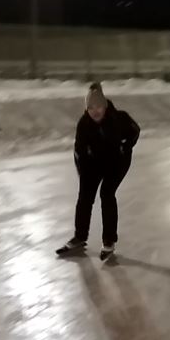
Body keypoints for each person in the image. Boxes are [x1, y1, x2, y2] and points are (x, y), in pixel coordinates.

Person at [57, 82, 140, 260]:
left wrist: (125, 147)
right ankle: (80, 236)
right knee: (85, 196)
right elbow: (79, 151)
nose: (95, 111)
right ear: (86, 109)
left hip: (117, 162)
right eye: (91, 108)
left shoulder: (118, 118)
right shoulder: (84, 124)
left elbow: (135, 131)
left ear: (105, 106)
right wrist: (83, 172)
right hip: (94, 162)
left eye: (99, 106)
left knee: (106, 194)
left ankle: (109, 240)